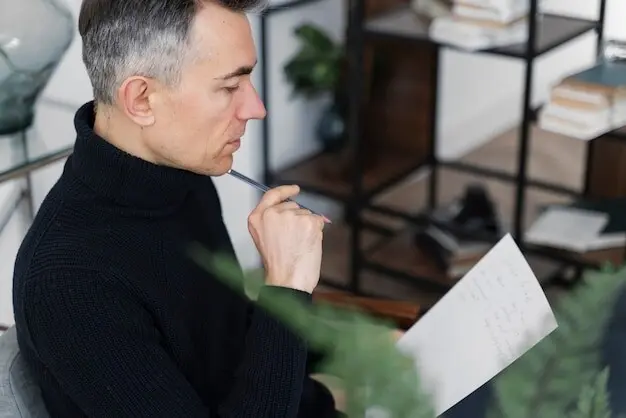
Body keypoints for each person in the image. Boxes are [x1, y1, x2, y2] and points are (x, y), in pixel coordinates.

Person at [12, 0, 340, 416]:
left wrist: (362, 352)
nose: (256, 108)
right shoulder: (69, 283)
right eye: (229, 87)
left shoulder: (183, 177)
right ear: (142, 99)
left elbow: (227, 338)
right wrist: (287, 287)